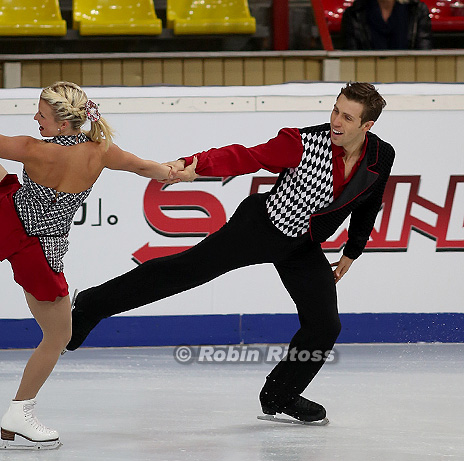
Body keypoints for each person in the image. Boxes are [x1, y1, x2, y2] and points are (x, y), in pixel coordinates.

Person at [65, 82, 395, 425]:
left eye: (347, 117)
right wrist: (192, 164)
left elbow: (370, 201)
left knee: (325, 325)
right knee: (184, 271)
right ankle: (91, 306)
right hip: (261, 226)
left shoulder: (380, 156)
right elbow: (246, 156)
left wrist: (352, 250)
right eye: (335, 111)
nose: (336, 122)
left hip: (302, 244)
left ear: (367, 126)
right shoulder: (302, 143)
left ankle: (281, 394)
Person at [0, 60, 173, 448]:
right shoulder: (101, 151)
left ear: (64, 124)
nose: (35, 118)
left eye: (42, 115)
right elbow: (146, 167)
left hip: (10, 217)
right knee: (59, 335)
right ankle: (20, 410)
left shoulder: (34, 150)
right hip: (37, 251)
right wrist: (177, 172)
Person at [341, 0, 432, 50]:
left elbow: (424, 55)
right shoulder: (354, 14)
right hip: (366, 78)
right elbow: (351, 59)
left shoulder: (417, 10)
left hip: (409, 77)